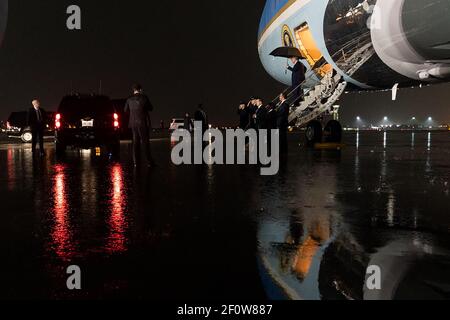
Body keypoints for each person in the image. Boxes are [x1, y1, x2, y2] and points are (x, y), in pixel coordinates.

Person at [124, 83, 155, 167]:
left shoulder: (129, 99)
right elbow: (151, 108)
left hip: (133, 123)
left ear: (133, 90)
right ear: (140, 90)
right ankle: (149, 162)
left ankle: (136, 162)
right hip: (142, 123)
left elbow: (125, 110)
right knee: (145, 143)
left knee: (135, 143)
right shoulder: (144, 98)